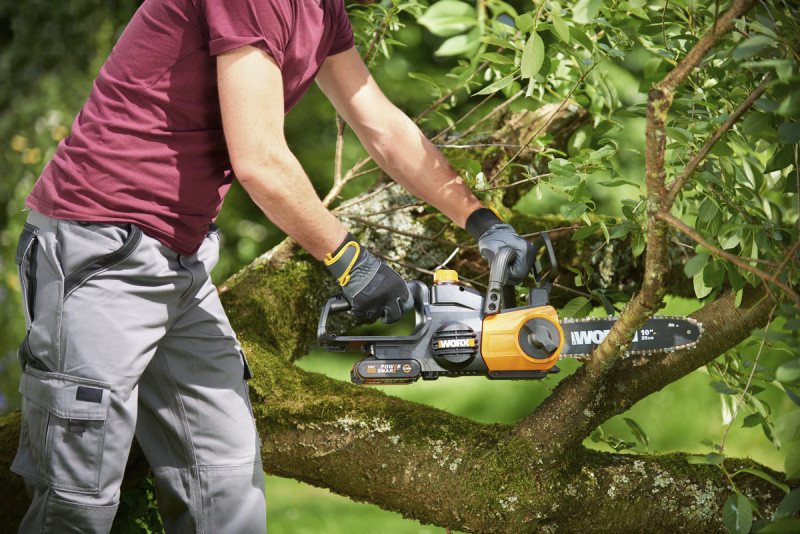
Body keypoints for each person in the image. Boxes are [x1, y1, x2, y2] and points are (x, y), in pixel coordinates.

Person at [10, 0, 534, 532]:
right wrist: (349, 260)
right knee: (75, 504)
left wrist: (481, 221)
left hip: (181, 259)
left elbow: (382, 126)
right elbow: (259, 159)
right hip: (99, 248)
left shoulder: (322, 9)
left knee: (225, 489)